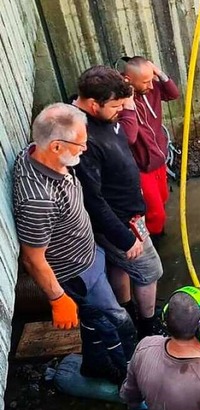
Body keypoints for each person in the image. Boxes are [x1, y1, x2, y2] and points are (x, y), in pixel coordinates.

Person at [12, 103, 137, 384]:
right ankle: (128, 378)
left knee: (93, 320)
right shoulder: (38, 200)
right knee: (117, 323)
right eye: (80, 144)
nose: (85, 148)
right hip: (76, 273)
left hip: (88, 255)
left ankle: (94, 364)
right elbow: (32, 258)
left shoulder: (36, 152)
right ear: (56, 146)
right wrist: (57, 299)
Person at [72, 65, 163, 338]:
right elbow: (93, 199)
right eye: (115, 106)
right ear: (92, 104)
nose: (120, 111)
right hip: (120, 224)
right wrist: (125, 238)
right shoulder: (81, 137)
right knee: (150, 270)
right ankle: (147, 325)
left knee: (118, 266)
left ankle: (127, 312)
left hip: (129, 214)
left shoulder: (104, 119)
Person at [119, 56, 180, 237]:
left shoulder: (150, 90)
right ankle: (153, 241)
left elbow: (173, 93)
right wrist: (128, 102)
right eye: (146, 81)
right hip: (141, 166)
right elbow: (128, 137)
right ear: (129, 80)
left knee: (163, 199)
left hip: (158, 159)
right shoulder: (120, 101)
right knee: (155, 214)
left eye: (151, 79)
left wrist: (157, 71)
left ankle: (156, 232)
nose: (151, 86)